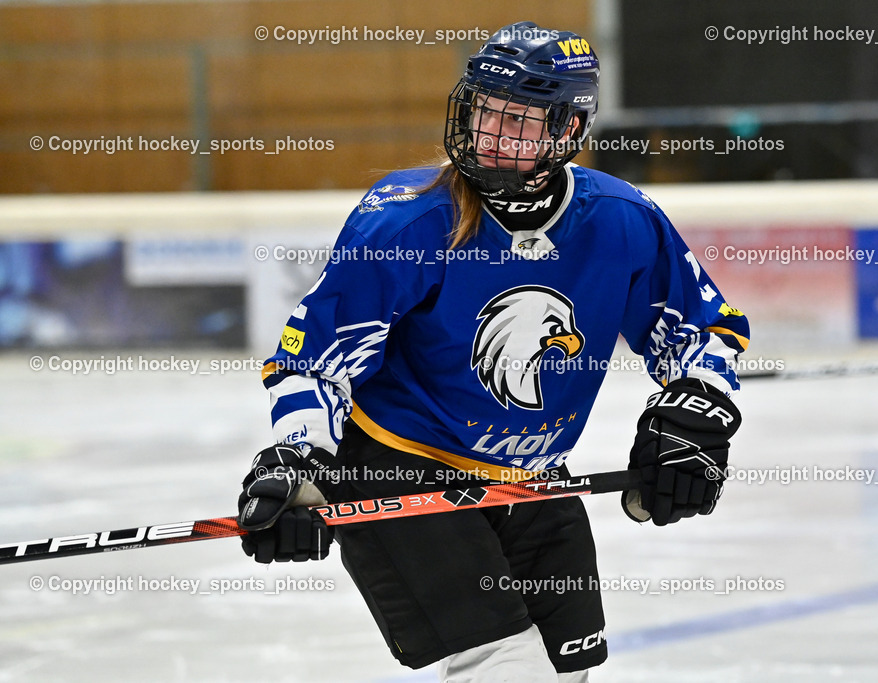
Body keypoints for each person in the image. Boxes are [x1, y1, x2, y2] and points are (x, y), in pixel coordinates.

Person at [236, 21, 749, 681]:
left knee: (568, 673)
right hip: (401, 471)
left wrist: (696, 411)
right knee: (508, 667)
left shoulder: (621, 220)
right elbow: (315, 358)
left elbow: (703, 328)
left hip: (532, 479)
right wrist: (298, 459)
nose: (490, 133)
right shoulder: (409, 220)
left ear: (567, 129)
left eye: (519, 119)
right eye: (485, 111)